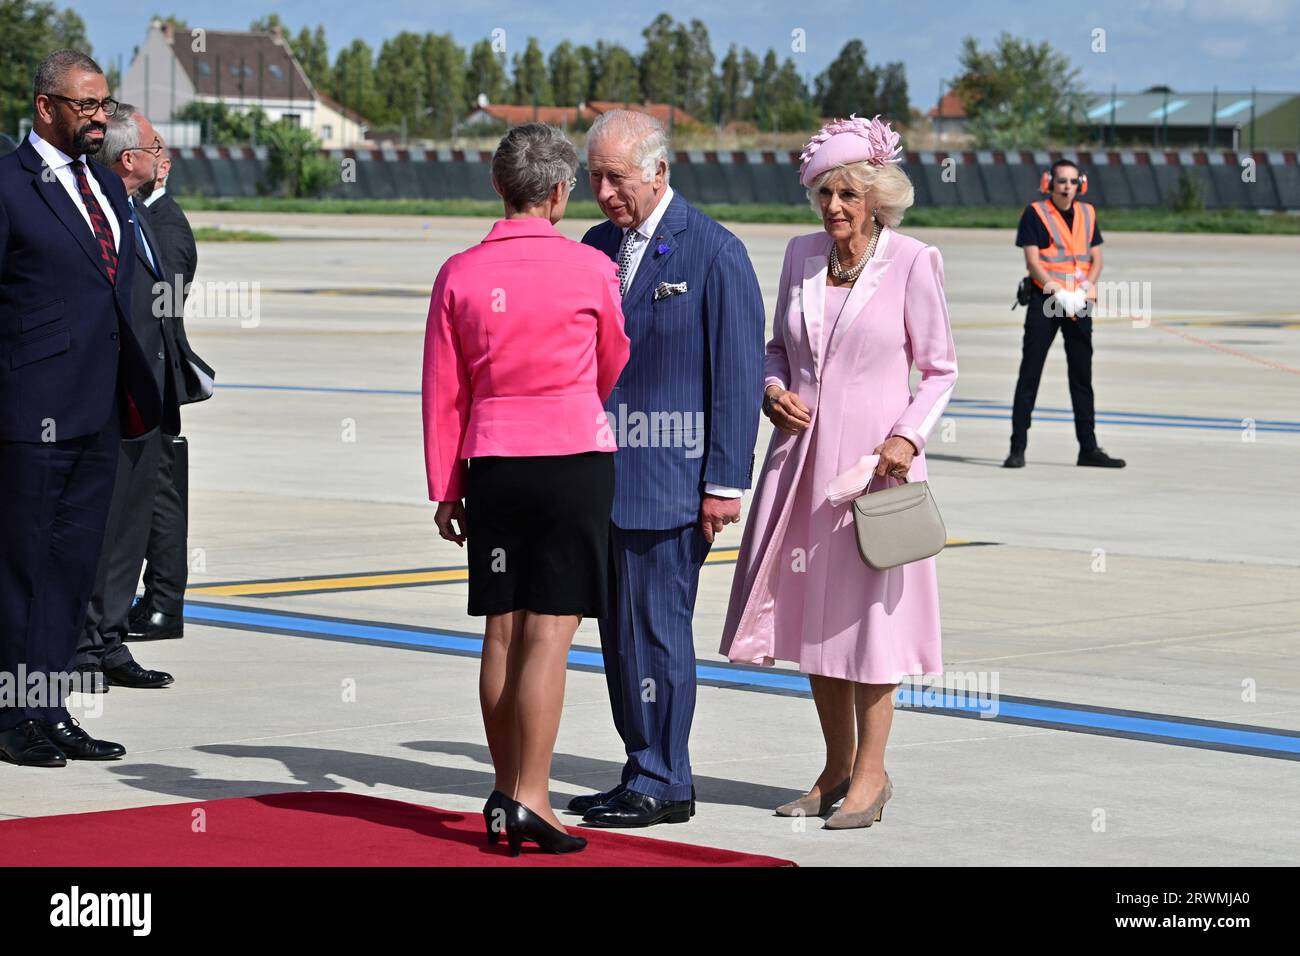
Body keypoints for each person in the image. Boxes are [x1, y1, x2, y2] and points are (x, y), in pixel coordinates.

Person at [719, 115, 958, 829]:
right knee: (816, 624)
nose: (835, 210)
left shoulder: (914, 261)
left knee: (871, 631)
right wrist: (771, 390)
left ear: (878, 196)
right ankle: (833, 767)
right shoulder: (798, 256)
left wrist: (907, 439)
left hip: (874, 474)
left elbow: (940, 369)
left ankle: (873, 775)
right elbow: (776, 350)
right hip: (801, 471)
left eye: (849, 195)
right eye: (825, 194)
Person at [422, 123, 629, 856]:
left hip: (495, 466)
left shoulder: (460, 273)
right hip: (573, 460)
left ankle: (504, 788)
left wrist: (446, 487)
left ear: (496, 185)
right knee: (550, 632)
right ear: (559, 192)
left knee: (502, 628)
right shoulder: (590, 269)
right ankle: (530, 797)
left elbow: (443, 392)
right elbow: (612, 363)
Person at [569, 109, 766, 828]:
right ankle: (639, 768)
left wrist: (723, 484)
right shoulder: (594, 246)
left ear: (658, 172)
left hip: (673, 484)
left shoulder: (714, 252)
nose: (604, 192)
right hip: (601, 480)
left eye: (616, 178)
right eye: (594, 178)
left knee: (658, 632)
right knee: (618, 638)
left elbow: (738, 377)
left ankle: (666, 778)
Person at [0, 50, 160, 766]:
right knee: (19, 571)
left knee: (70, 567)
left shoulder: (103, 182)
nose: (100, 117)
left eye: (104, 104)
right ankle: (10, 718)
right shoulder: (9, 184)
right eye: (86, 106)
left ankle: (49, 707)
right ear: (45, 108)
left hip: (99, 406)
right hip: (28, 413)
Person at [73, 105, 178, 691]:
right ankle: (85, 649)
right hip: (107, 396)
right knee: (103, 526)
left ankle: (109, 641)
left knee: (131, 529)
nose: (163, 155)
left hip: (146, 397)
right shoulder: (98, 215)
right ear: (128, 158)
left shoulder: (136, 214)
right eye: (153, 144)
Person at [129, 138, 215, 642]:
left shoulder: (167, 226)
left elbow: (164, 312)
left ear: (163, 168)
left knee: (162, 499)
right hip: (146, 381)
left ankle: (164, 605)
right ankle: (153, 602)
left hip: (156, 382)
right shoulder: (145, 218)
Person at [1004, 158, 1124, 469]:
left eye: (1072, 181)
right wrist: (1057, 291)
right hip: (1047, 299)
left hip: (1079, 301)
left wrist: (1084, 289)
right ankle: (1017, 448)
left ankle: (1089, 448)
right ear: (1049, 183)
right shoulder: (1035, 213)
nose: (1067, 187)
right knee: (1030, 373)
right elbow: (1033, 262)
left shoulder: (1088, 213)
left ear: (1079, 184)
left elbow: (1096, 260)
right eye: (1061, 181)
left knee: (1082, 377)